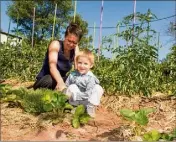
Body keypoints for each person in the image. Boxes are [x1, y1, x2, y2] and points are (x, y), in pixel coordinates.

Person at [33, 23, 83, 91]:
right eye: (69, 40)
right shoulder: (55, 44)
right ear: (65, 37)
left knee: (77, 79)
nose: (71, 44)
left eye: (74, 43)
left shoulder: (75, 49)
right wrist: (60, 82)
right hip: (46, 80)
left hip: (61, 80)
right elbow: (52, 66)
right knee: (49, 80)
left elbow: (78, 68)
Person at [64, 49, 104, 117]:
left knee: (98, 88)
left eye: (85, 63)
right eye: (80, 63)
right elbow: (66, 87)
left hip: (87, 100)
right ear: (76, 63)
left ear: (91, 65)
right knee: (71, 86)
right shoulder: (72, 74)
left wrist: (83, 99)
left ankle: (90, 108)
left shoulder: (91, 77)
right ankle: (74, 107)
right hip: (75, 100)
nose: (82, 66)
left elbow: (88, 94)